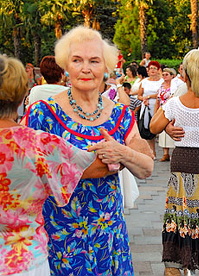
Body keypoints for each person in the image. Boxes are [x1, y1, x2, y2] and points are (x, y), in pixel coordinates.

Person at [23, 25, 154, 275]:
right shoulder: (43, 113)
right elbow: (30, 172)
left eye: (94, 61)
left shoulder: (120, 114)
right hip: (59, 237)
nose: (85, 68)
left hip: (109, 235)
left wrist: (121, 153)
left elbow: (147, 167)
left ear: (106, 67)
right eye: (77, 60)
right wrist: (103, 166)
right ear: (65, 65)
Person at [0, 55, 126, 275]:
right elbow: (97, 166)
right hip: (24, 259)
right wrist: (121, 154)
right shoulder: (38, 144)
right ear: (22, 97)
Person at [150, 50, 199, 276]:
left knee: (181, 214)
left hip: (182, 163)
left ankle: (178, 263)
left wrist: (168, 126)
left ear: (185, 74)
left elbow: (153, 127)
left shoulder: (175, 103)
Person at [137, 60, 164, 157]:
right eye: (150, 68)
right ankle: (152, 152)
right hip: (146, 106)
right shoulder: (144, 82)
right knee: (147, 128)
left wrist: (149, 97)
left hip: (158, 105)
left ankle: (165, 152)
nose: (152, 70)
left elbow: (161, 93)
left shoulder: (162, 81)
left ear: (158, 70)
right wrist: (144, 98)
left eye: (154, 68)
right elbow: (139, 95)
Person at [155, 67, 177, 162]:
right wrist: (156, 112)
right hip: (162, 109)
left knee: (172, 129)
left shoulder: (175, 86)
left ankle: (173, 153)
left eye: (166, 74)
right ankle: (165, 153)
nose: (164, 76)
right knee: (162, 131)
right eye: (163, 75)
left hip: (172, 109)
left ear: (172, 76)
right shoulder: (161, 86)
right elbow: (157, 99)